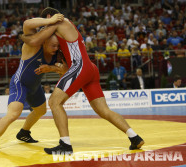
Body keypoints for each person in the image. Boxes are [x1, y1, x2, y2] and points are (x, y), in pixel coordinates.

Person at [35, 7, 144, 154]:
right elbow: (65, 70)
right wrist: (50, 68)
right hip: (88, 69)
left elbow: (35, 33)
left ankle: (65, 145)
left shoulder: (60, 22)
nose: (45, 26)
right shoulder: (62, 31)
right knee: (103, 110)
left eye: (45, 22)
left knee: (54, 102)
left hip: (80, 66)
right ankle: (134, 137)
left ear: (49, 16)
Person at [0, 15, 66, 153]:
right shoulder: (32, 47)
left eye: (57, 46)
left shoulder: (55, 55)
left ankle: (24, 133)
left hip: (34, 87)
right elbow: (27, 24)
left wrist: (51, 68)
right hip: (19, 84)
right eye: (53, 45)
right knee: (13, 113)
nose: (55, 48)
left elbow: (64, 72)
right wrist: (50, 21)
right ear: (44, 42)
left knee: (41, 111)